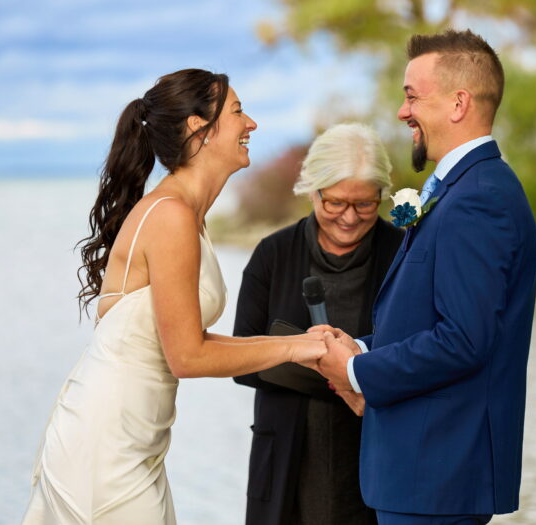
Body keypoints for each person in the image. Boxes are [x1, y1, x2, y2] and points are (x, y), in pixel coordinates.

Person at [21, 69, 327, 525]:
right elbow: (188, 356)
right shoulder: (170, 216)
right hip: (105, 447)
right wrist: (292, 348)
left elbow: (192, 339)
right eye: (239, 111)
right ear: (197, 129)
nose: (252, 125)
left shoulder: (186, 216)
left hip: (135, 443)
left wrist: (302, 346)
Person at [315, 30, 536, 525]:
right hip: (424, 476)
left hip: (438, 475)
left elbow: (464, 339)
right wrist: (360, 348)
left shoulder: (479, 198)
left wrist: (355, 373)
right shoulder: (464, 190)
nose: (402, 111)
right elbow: (437, 321)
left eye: (412, 95)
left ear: (459, 103)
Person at [233, 123, 404, 525]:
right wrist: (345, 375)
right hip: (287, 466)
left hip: (377, 462)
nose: (349, 218)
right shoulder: (271, 254)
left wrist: (333, 364)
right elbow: (242, 358)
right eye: (335, 203)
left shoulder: (404, 254)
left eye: (365, 205)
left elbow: (419, 350)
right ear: (313, 191)